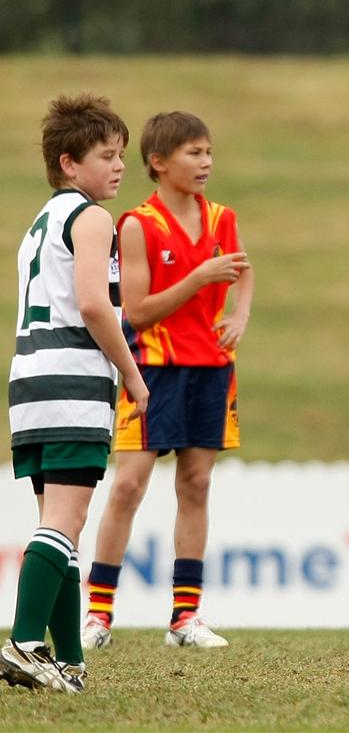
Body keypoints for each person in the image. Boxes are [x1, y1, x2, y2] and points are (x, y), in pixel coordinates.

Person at [80, 111, 253, 651]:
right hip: (152, 369)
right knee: (129, 485)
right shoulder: (138, 226)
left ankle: (186, 617)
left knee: (196, 485)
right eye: (194, 153)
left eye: (208, 153)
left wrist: (240, 315)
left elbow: (243, 270)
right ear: (159, 163)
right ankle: (99, 613)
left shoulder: (222, 217)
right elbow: (136, 311)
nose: (205, 163)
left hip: (212, 368)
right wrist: (199, 278)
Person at [3, 94, 150, 693]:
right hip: (71, 382)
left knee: (62, 524)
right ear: (69, 163)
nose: (118, 166)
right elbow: (93, 303)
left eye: (120, 155)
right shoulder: (90, 218)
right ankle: (25, 641)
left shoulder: (40, 223)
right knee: (65, 521)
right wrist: (133, 374)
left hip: (32, 383)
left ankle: (68, 662)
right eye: (105, 155)